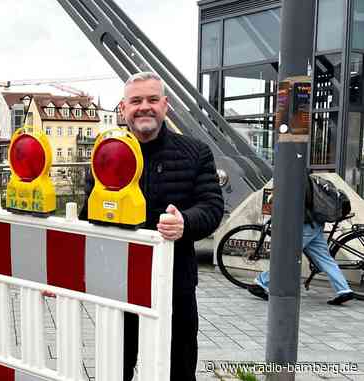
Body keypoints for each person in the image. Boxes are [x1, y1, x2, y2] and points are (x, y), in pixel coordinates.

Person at [80, 72, 224, 381]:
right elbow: (85, 216)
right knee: (115, 366)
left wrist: (185, 222)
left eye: (152, 100)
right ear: (123, 109)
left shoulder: (195, 152)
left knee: (179, 366)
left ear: (165, 105)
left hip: (175, 282)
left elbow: (212, 207)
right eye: (136, 101)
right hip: (117, 282)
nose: (144, 107)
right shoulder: (105, 153)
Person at [248, 174, 355, 305]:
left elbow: (281, 201)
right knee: (325, 259)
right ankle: (344, 290)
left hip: (305, 226)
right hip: (316, 224)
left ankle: (261, 282)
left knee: (287, 256)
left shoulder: (293, 180)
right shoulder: (310, 179)